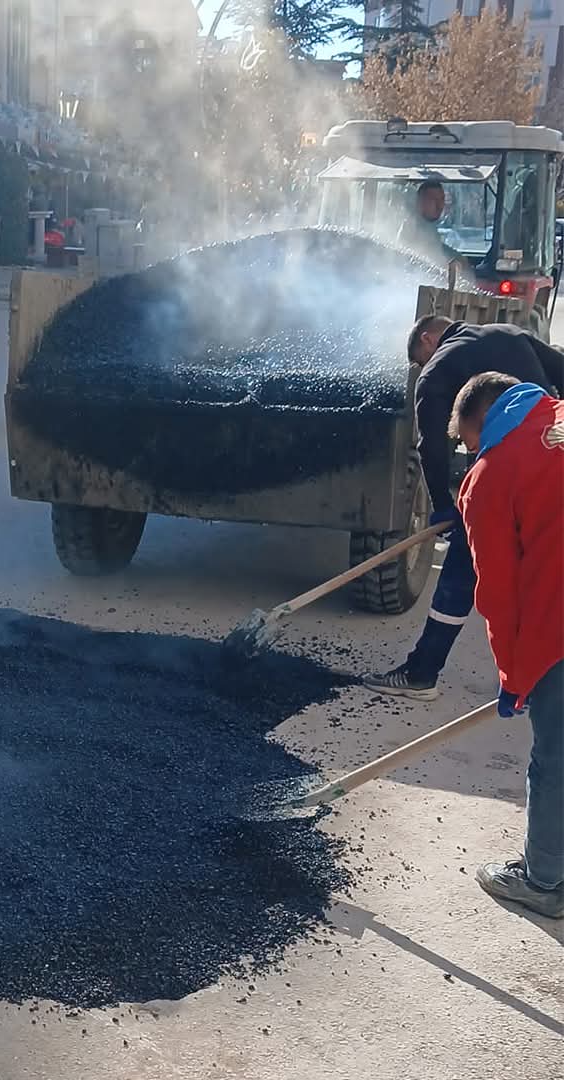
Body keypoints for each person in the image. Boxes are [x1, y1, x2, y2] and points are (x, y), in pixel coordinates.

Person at [364, 317, 564, 699]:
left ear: (427, 340)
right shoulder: (509, 332)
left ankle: (423, 673)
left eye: (419, 359)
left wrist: (444, 506)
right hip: (549, 439)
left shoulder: (436, 370)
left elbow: (432, 446)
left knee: (463, 569)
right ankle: (542, 675)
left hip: (509, 463)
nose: (423, 366)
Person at [449, 372, 563, 918]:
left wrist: (514, 677)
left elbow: (497, 592)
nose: (473, 455)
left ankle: (544, 882)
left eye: (471, 444)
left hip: (557, 629)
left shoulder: (490, 477)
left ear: (481, 420)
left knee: (557, 759)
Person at [396, 180, 463, 266]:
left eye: (442, 199)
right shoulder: (412, 227)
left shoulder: (429, 226)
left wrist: (459, 258)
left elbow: (439, 249)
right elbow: (423, 257)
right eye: (433, 199)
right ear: (420, 201)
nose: (440, 205)